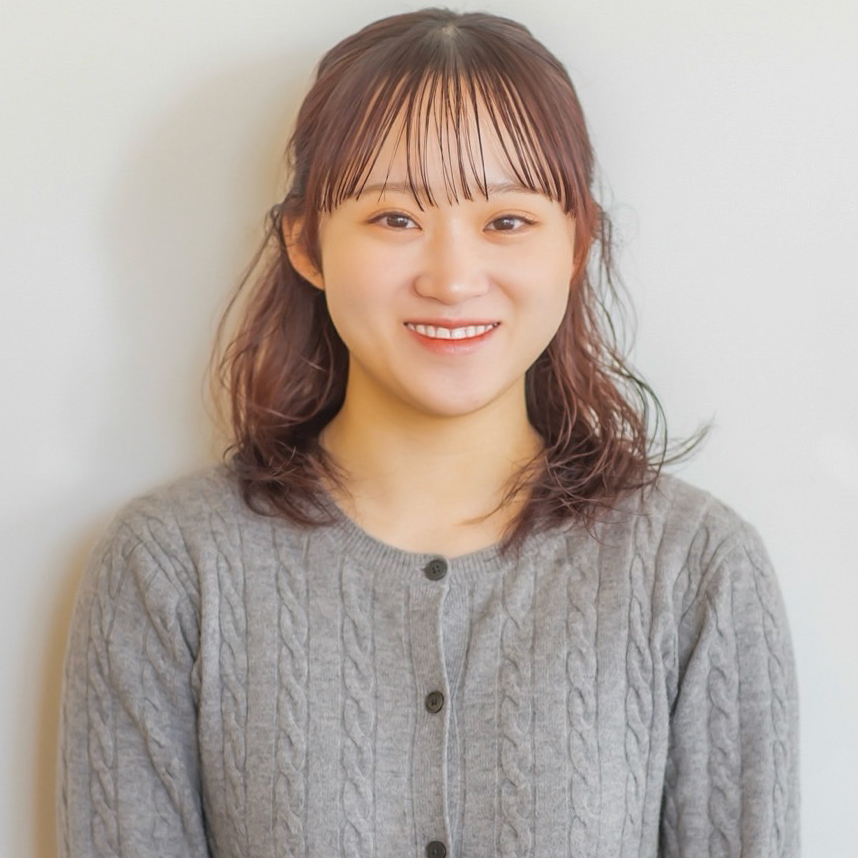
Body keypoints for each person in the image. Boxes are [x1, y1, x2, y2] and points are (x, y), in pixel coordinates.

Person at [57, 8, 799, 858]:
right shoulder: (169, 566)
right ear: (306, 242)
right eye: (395, 219)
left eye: (507, 221)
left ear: (577, 243)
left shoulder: (696, 567)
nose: (452, 279)